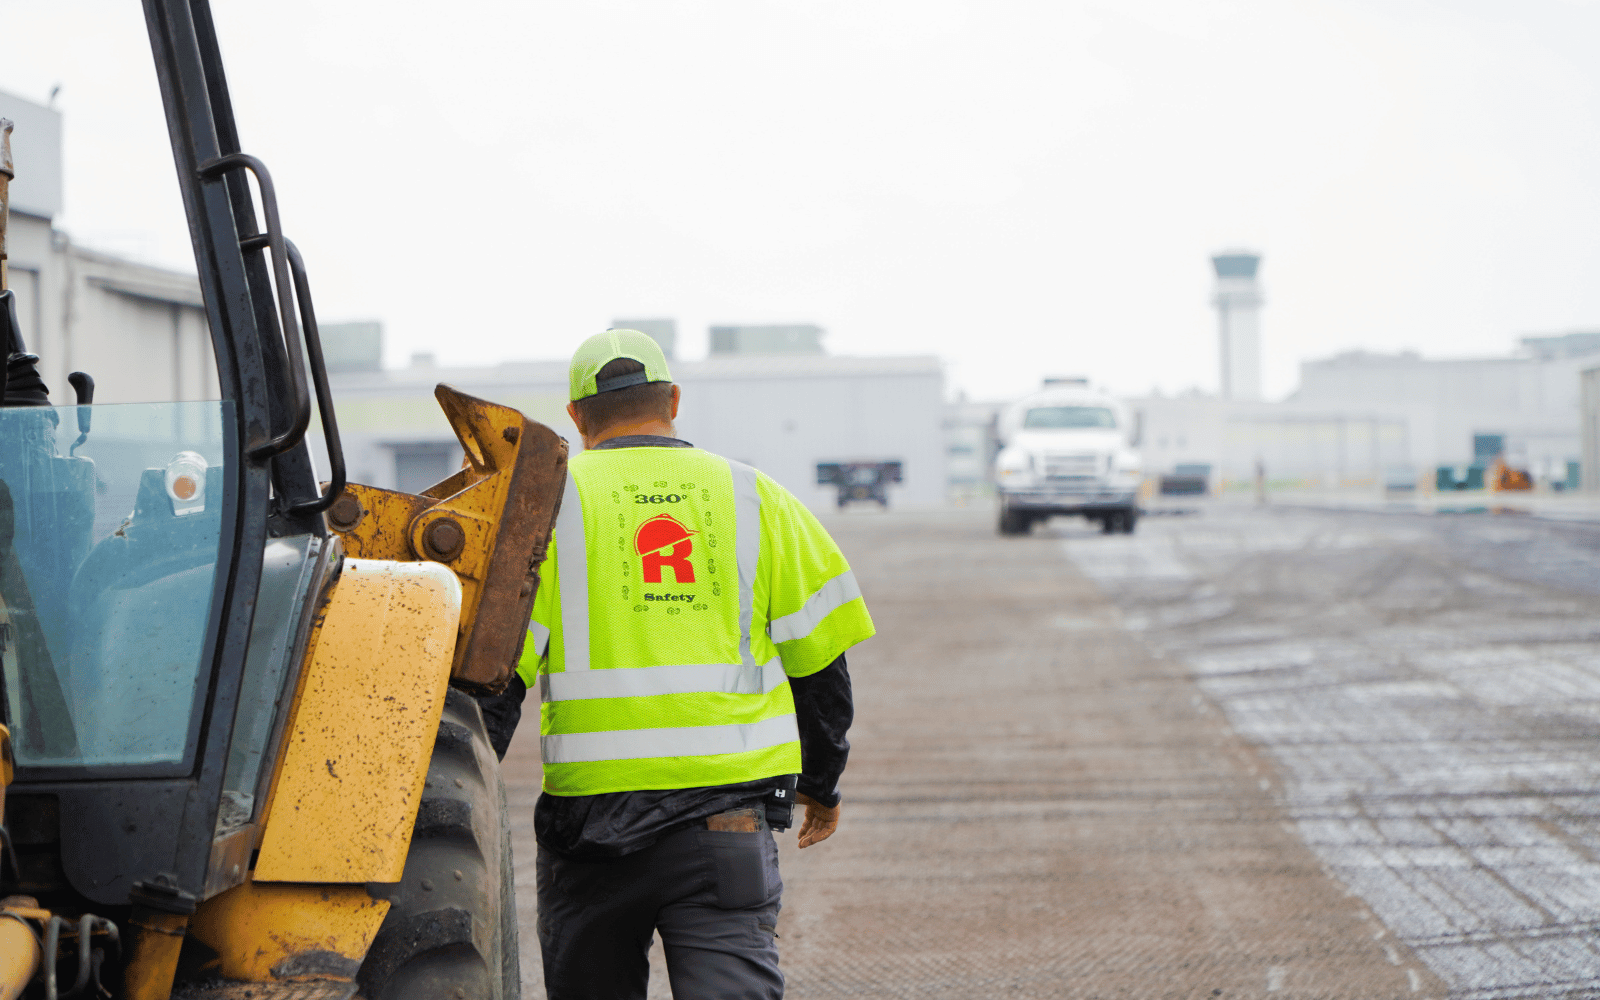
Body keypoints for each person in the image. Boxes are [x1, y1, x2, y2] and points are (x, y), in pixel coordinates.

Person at [491, 329, 874, 999]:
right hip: (725, 822)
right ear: (672, 399)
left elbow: (496, 686)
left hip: (590, 831)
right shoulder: (758, 499)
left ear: (576, 417)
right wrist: (822, 781)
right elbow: (821, 669)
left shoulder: (543, 510)